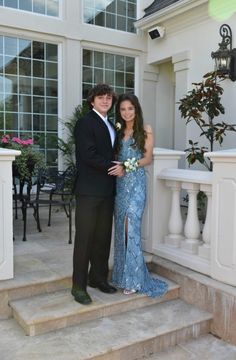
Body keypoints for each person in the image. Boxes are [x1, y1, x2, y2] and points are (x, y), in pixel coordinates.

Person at [109, 93, 168, 297]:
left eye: (130, 108)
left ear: (136, 109)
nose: (126, 113)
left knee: (131, 224)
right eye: (123, 109)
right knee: (121, 230)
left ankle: (134, 278)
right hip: (119, 185)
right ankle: (121, 275)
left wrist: (127, 165)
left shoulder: (145, 129)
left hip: (136, 184)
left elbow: (148, 159)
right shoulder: (116, 130)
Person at [72, 83, 123, 305]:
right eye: (101, 97)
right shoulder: (85, 122)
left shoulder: (111, 124)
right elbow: (88, 155)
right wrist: (115, 166)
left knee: (103, 237)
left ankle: (98, 278)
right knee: (85, 238)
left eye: (109, 98)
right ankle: (78, 286)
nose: (105, 101)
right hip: (89, 191)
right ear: (92, 100)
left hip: (108, 190)